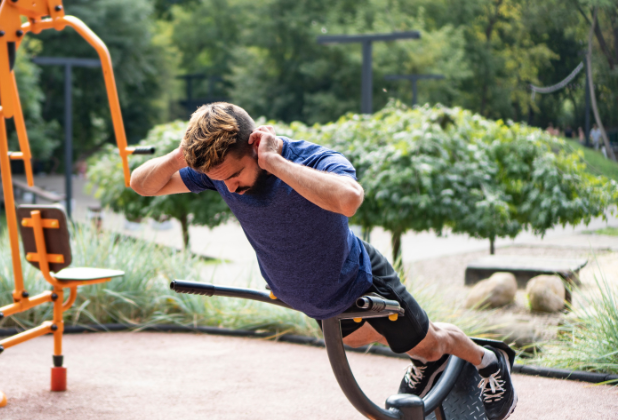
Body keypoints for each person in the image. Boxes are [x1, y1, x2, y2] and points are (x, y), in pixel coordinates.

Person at [130, 102, 517, 420]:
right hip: (314, 297)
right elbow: (142, 185)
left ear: (254, 145)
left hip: (361, 281)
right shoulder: (218, 172)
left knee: (430, 343)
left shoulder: (308, 158)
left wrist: (275, 164)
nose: (229, 188)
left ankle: (487, 361)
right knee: (371, 339)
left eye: (234, 175)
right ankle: (424, 363)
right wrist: (181, 155)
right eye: (221, 180)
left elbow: (349, 199)